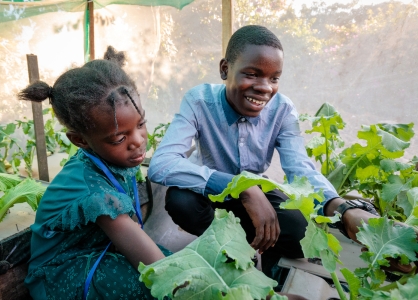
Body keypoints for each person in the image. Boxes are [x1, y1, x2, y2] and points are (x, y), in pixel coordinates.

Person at [147, 25, 385, 278]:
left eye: (274, 78)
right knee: (181, 202)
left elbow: (299, 168)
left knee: (300, 236)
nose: (265, 88)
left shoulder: (283, 110)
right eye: (251, 74)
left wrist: (343, 209)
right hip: (210, 190)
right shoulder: (199, 101)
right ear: (225, 69)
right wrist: (241, 187)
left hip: (257, 190)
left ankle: (252, 241)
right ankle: (225, 245)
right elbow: (161, 164)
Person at [20, 47, 168, 300]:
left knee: (172, 258)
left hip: (97, 250)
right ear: (80, 140)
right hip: (60, 274)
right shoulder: (90, 187)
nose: (138, 141)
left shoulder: (112, 158)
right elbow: (157, 269)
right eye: (121, 137)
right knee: (148, 282)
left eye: (141, 124)